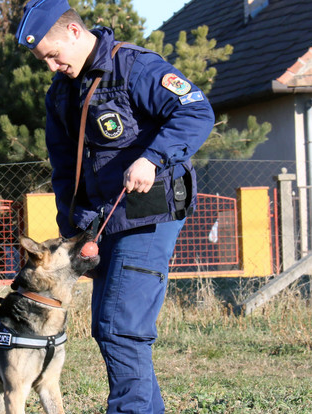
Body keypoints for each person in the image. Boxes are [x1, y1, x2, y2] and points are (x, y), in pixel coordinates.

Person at [16, 0, 215, 412]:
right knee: (114, 330)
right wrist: (73, 229)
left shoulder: (137, 68)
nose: (52, 66)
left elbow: (196, 112)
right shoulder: (62, 93)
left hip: (147, 214)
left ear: (73, 32)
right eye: (44, 61)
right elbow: (63, 169)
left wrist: (152, 158)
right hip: (101, 224)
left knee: (119, 328)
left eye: (53, 55)